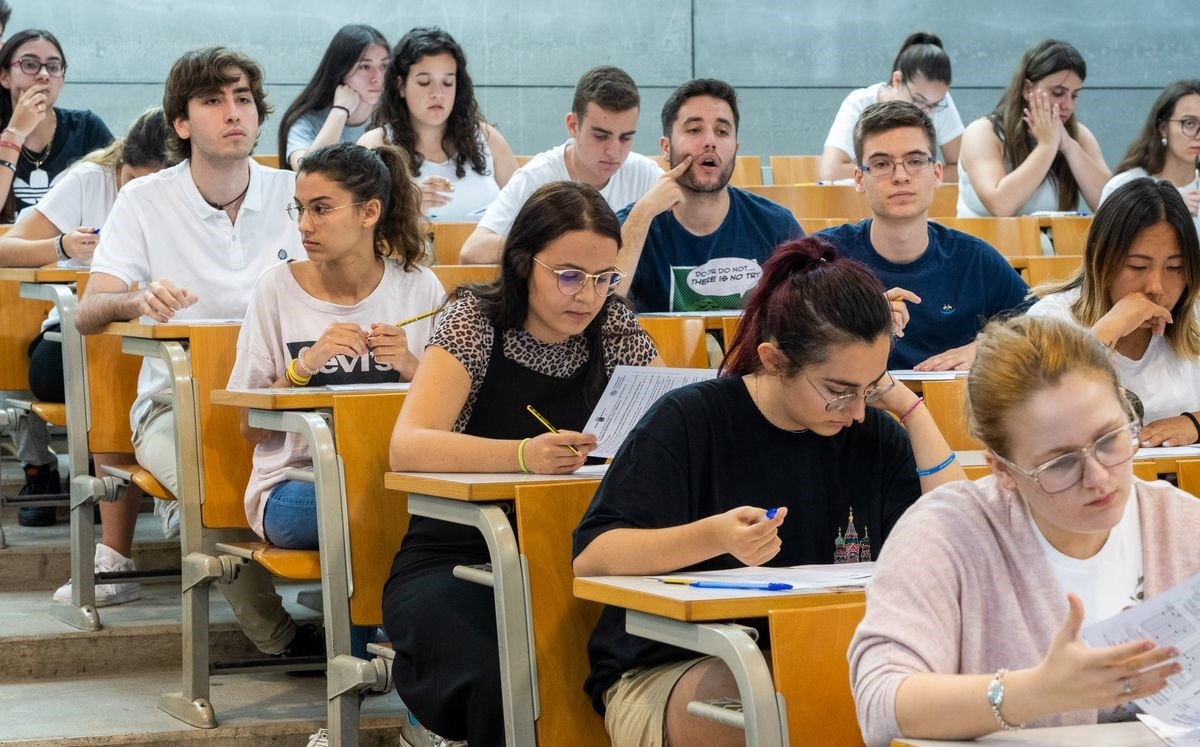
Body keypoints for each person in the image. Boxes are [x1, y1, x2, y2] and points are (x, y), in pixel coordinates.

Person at [573, 237, 965, 747]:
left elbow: (955, 546)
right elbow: (593, 556)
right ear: (773, 359)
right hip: (673, 666)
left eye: (871, 386)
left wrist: (911, 410)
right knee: (787, 696)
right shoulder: (690, 421)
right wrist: (713, 537)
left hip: (823, 654)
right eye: (839, 390)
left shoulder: (873, 433)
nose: (856, 410)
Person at [383, 182, 662, 746]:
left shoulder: (613, 325)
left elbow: (672, 423)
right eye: (568, 275)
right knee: (505, 673)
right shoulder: (473, 322)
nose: (587, 295)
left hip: (579, 554)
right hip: (462, 557)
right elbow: (408, 445)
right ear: (520, 262)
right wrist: (519, 456)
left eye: (604, 278)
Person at [849, 315, 1200, 746]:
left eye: (1110, 438)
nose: (1098, 477)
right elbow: (881, 704)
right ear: (1003, 469)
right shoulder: (948, 532)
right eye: (1060, 463)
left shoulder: (1181, 524)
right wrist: (1035, 693)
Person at [75, 47, 315, 660]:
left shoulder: (297, 194)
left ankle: (362, 627)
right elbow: (87, 311)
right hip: (171, 402)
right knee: (214, 479)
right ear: (181, 124)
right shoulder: (146, 200)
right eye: (212, 101)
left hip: (290, 395)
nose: (232, 112)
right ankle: (280, 638)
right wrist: (136, 299)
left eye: (242, 100)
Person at [226, 141, 441, 655]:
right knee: (367, 509)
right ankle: (360, 664)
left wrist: (412, 367)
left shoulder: (419, 288)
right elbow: (248, 428)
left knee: (419, 511)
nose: (304, 225)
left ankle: (385, 661)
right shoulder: (276, 289)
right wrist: (303, 369)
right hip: (295, 487)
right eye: (299, 209)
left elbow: (456, 412)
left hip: (394, 477)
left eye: (321, 209)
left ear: (369, 213)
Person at [0, 107, 170, 534]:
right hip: (69, 340)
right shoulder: (87, 180)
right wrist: (60, 244)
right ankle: (122, 529)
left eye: (154, 186)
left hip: (152, 343)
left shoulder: (193, 195)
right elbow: (6, 248)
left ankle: (171, 493)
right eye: (132, 182)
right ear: (119, 164)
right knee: (114, 367)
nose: (139, 195)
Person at [818, 101, 1028, 371]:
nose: (901, 176)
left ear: (937, 173)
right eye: (882, 163)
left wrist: (991, 346)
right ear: (859, 179)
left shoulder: (975, 259)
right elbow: (783, 337)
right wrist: (854, 323)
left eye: (915, 161)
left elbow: (1040, 323)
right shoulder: (825, 257)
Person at [1028, 177, 1200, 446]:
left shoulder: (1195, 317)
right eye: (1138, 267)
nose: (1156, 287)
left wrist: (1195, 423)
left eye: (1175, 268)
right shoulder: (1051, 320)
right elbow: (1032, 419)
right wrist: (1106, 331)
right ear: (1102, 258)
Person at [616, 78, 802, 312]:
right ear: (666, 147)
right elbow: (600, 314)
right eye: (694, 130)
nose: (710, 142)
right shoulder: (632, 225)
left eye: (722, 132)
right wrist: (641, 217)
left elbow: (810, 318)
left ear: (735, 147)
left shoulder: (777, 226)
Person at [458, 66, 661, 263]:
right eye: (600, 136)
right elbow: (475, 250)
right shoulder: (536, 177)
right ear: (573, 125)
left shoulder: (646, 174)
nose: (614, 151)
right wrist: (557, 250)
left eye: (626, 138)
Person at [358, 26, 517, 223]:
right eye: (424, 82)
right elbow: (357, 224)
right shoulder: (376, 143)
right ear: (401, 86)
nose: (437, 93)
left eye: (448, 83)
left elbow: (525, 208)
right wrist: (407, 206)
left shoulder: (486, 137)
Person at [958, 39, 1109, 217]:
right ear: (1027, 89)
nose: (1067, 105)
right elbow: (1001, 205)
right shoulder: (982, 133)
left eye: (1074, 95)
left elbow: (1113, 205)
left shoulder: (1079, 136)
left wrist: (1068, 146)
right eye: (1058, 93)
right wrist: (1046, 146)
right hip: (985, 243)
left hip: (1051, 244)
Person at [820, 32, 965, 183]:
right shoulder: (860, 102)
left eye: (936, 104)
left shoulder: (938, 101)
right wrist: (910, 173)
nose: (927, 111)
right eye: (918, 100)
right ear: (897, 80)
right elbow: (831, 170)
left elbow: (961, 168)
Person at [0, 29, 113, 220]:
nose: (44, 75)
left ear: (62, 79)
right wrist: (15, 134)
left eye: (53, 67)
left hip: (75, 248)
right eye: (29, 64)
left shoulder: (86, 127)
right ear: (5, 77)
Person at [276, 24, 389, 170]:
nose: (378, 78)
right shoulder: (308, 120)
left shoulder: (395, 117)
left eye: (384, 66)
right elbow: (305, 171)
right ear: (341, 69)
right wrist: (340, 111)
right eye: (365, 67)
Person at [1101, 80, 1200, 235]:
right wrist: (1171, 214)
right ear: (1163, 129)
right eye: (1189, 123)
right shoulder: (1125, 185)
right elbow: (1107, 252)